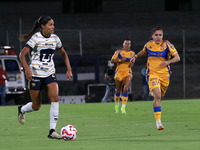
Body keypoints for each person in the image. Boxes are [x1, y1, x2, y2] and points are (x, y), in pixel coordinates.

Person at [18, 15, 73, 139]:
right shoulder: (36, 38)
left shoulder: (55, 39)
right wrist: (27, 69)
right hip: (35, 75)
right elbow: (22, 54)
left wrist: (69, 68)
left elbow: (63, 52)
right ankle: (22, 110)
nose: (53, 27)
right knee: (36, 106)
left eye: (53, 24)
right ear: (43, 26)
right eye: (50, 25)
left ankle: (52, 131)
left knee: (55, 97)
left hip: (49, 73)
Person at [131, 26, 180, 130]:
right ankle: (158, 122)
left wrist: (168, 61)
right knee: (157, 95)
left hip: (165, 75)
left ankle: (152, 91)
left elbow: (177, 57)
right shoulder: (149, 44)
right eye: (156, 35)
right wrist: (134, 57)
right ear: (152, 36)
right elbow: (143, 52)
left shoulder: (167, 44)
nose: (158, 37)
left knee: (159, 97)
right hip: (152, 73)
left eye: (160, 35)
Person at [111, 38, 136, 114]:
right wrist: (120, 60)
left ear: (130, 45)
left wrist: (132, 63)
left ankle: (123, 107)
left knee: (126, 88)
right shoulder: (118, 52)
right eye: (126, 44)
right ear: (123, 44)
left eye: (128, 44)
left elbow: (132, 64)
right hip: (119, 73)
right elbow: (112, 60)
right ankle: (116, 106)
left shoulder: (132, 53)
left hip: (127, 73)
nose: (127, 45)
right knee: (118, 90)